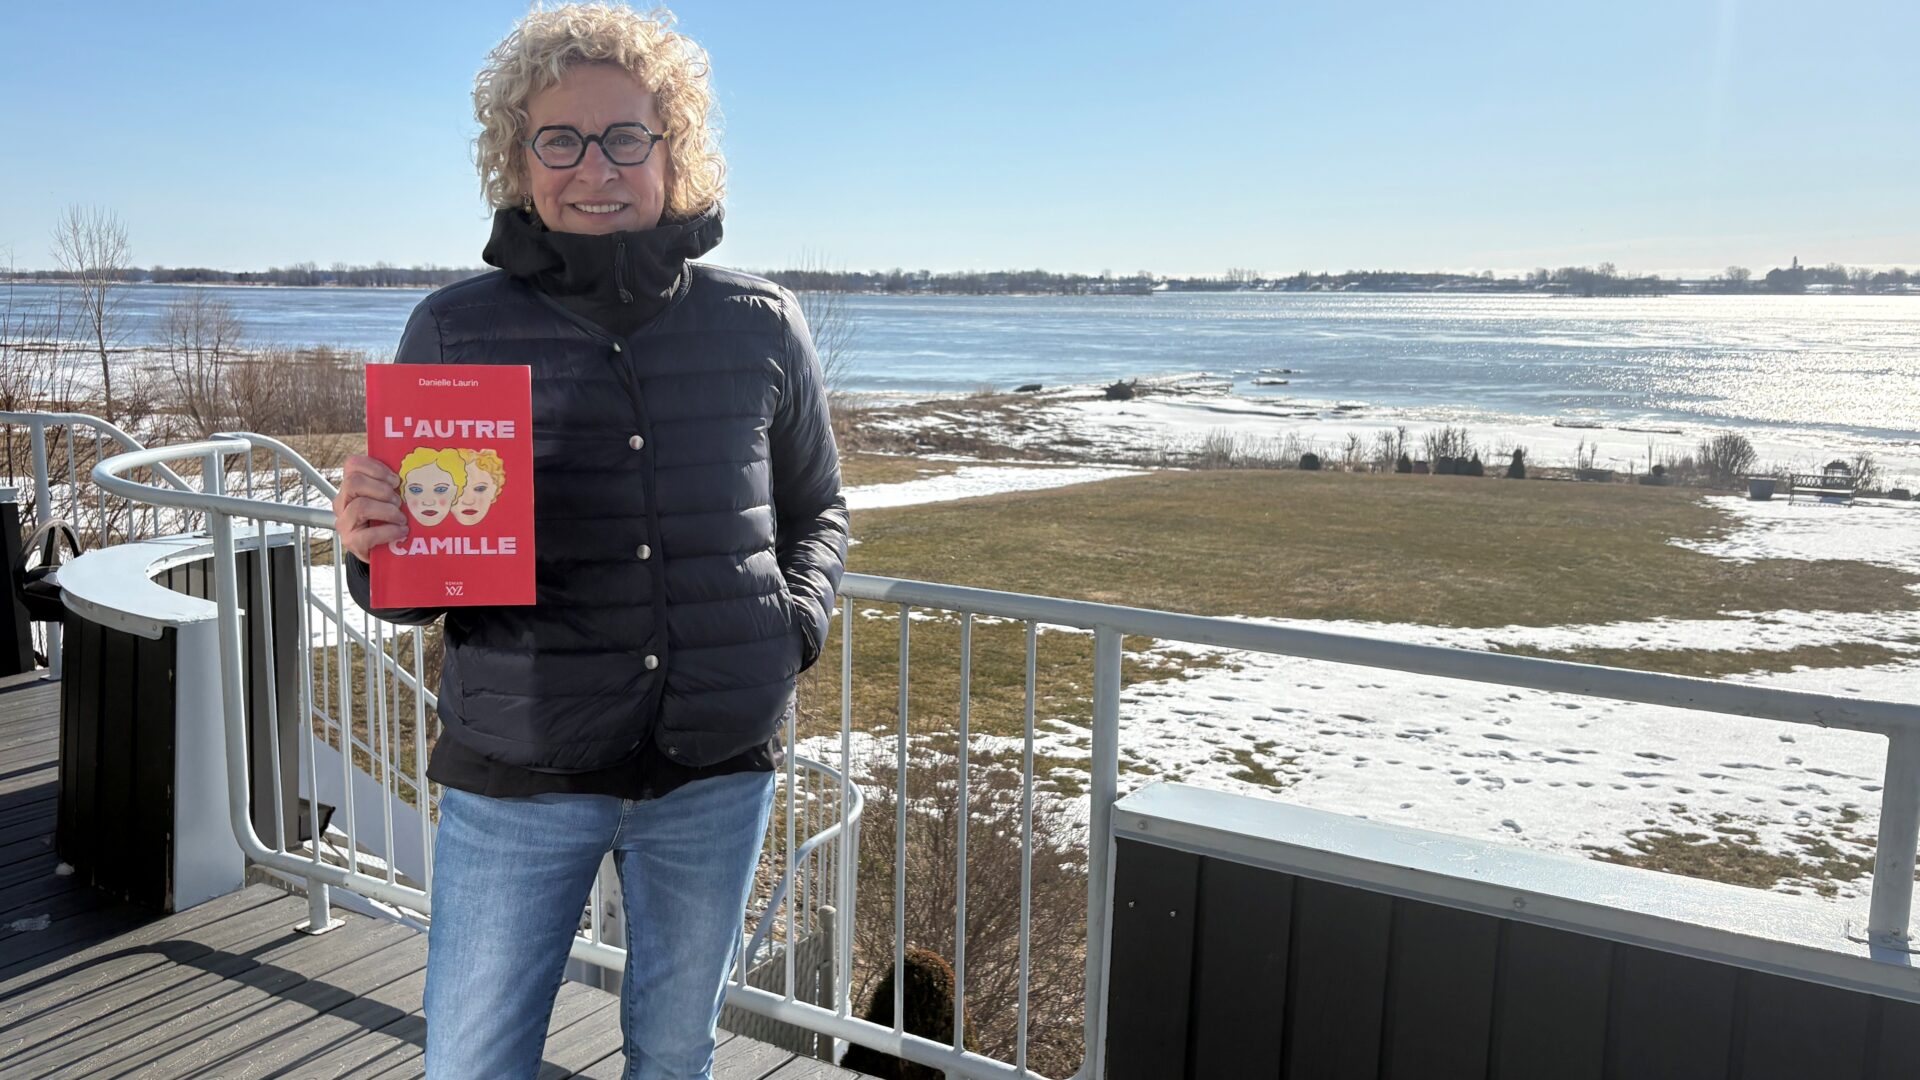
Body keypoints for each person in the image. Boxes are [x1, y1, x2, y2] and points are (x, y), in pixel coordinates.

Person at [330, 5, 848, 1077]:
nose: (594, 169)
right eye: (559, 140)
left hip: (715, 766)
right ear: (518, 161)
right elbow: (412, 585)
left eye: (625, 137)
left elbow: (817, 511)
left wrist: (788, 630)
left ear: (675, 153)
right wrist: (374, 550)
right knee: (473, 1059)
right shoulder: (457, 328)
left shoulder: (760, 323)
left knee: (674, 1052)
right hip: (521, 772)